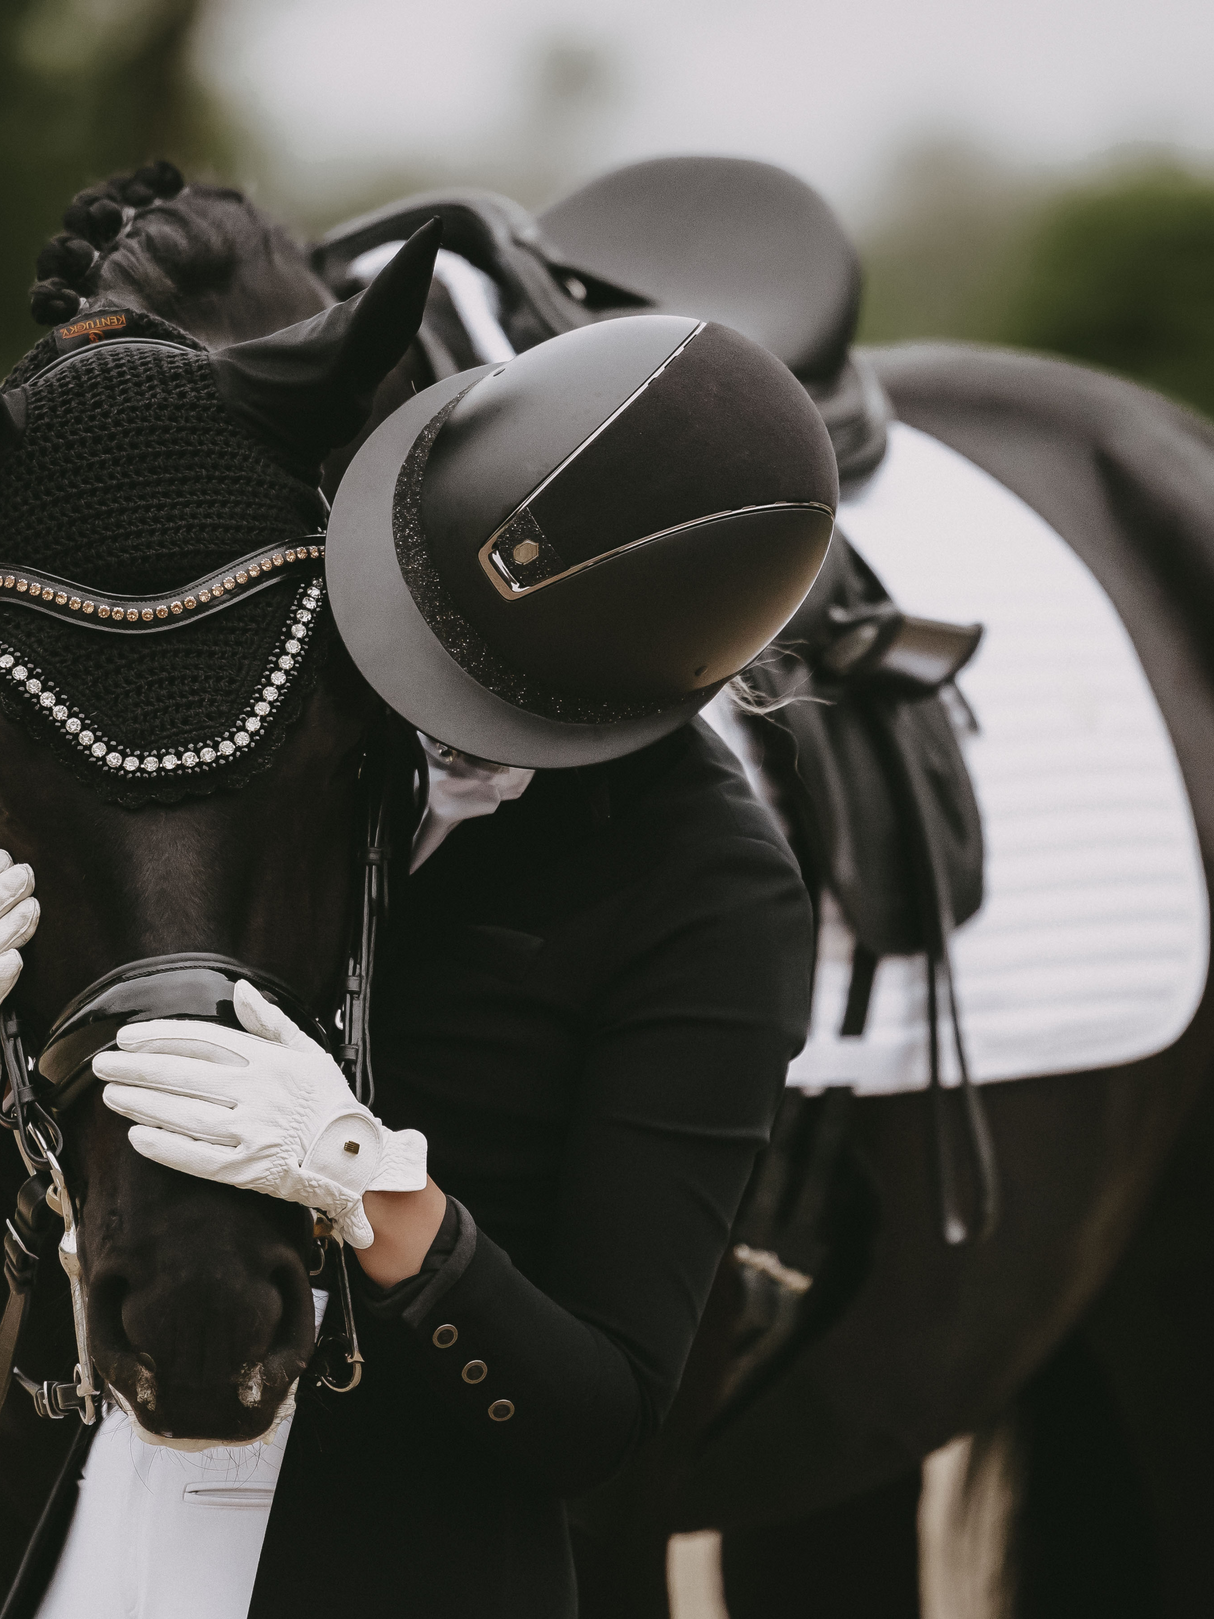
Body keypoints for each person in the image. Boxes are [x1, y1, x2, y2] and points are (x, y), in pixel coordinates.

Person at [0, 202, 832, 1617]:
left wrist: (378, 1191)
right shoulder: (282, 707)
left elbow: (598, 1412)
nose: (430, 735)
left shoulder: (706, 889)